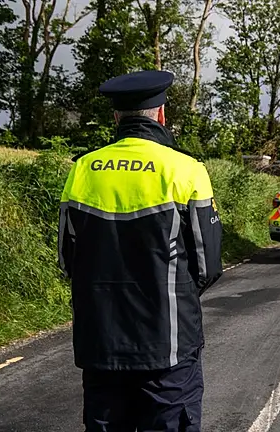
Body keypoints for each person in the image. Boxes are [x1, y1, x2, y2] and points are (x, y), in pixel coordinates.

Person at [58, 69, 223, 431]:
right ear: (161, 114)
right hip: (168, 348)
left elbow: (68, 261)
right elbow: (208, 267)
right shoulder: (187, 170)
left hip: (101, 345)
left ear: (116, 116)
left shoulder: (82, 170)